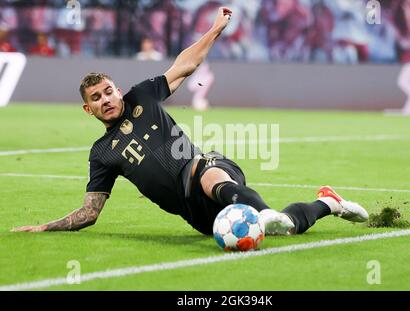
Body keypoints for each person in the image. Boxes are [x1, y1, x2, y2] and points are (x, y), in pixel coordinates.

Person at [11, 7, 368, 236]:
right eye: (96, 99)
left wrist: (214, 30)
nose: (105, 100)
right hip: (194, 214)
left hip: (205, 168)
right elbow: (90, 212)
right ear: (88, 110)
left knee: (205, 173)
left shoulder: (143, 96)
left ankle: (264, 212)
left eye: (108, 92)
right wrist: (46, 227)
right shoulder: (101, 153)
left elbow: (184, 66)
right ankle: (328, 203)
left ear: (117, 90)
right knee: (284, 229)